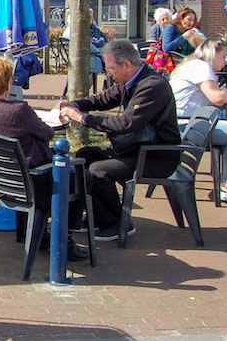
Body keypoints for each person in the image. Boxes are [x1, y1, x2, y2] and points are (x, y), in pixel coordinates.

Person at [0, 57, 88, 261]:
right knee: (79, 176)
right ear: (9, 83)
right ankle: (64, 239)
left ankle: (45, 235)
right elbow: (47, 134)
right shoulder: (19, 111)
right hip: (32, 185)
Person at [59, 39, 181, 242]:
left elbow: (126, 124)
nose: (109, 73)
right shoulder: (129, 81)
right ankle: (96, 216)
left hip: (156, 155)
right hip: (137, 148)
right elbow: (103, 99)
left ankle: (116, 223)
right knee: (85, 155)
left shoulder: (152, 86)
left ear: (127, 65)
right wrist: (74, 104)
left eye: (111, 68)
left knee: (99, 170)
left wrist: (83, 118)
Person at [168, 38, 227, 203]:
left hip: (181, 122)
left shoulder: (191, 64)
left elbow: (202, 98)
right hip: (186, 125)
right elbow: (217, 97)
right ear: (213, 54)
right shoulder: (202, 66)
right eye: (223, 57)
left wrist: (225, 107)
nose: (225, 62)